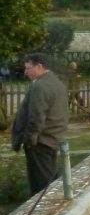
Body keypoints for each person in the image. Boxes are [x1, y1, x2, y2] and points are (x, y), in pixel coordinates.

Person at [11, 53, 69, 195]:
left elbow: (36, 118)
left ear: (39, 66)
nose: (25, 72)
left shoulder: (41, 86)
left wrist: (29, 141)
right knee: (49, 179)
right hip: (52, 138)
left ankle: (44, 214)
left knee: (41, 186)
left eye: (28, 68)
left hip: (40, 142)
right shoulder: (57, 82)